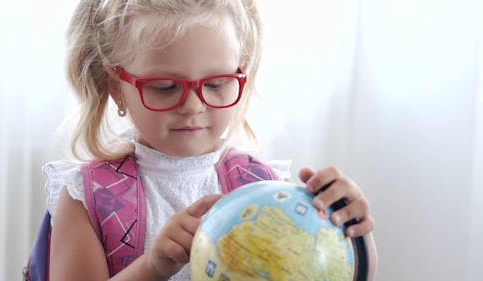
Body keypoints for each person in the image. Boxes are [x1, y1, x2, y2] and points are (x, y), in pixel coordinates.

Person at [43, 0, 378, 280]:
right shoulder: (86, 196)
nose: (193, 106)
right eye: (165, 87)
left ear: (241, 76)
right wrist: (153, 266)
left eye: (217, 83)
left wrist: (351, 230)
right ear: (116, 86)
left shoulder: (268, 189)